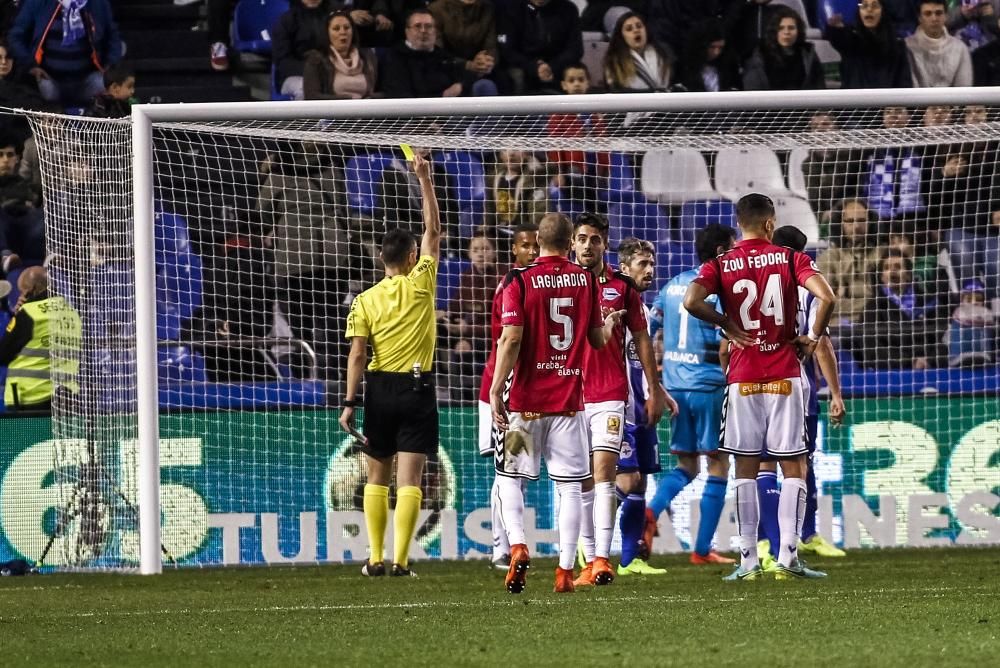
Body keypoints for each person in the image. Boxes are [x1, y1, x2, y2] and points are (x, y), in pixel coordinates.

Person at [683, 193, 837, 581]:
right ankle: (788, 556)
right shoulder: (790, 258)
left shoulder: (722, 263)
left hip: (742, 377)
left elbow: (691, 300)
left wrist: (726, 324)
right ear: (770, 224)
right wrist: (813, 336)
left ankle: (748, 561)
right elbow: (827, 296)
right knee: (794, 465)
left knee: (745, 467)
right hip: (784, 373)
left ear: (739, 224)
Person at [489, 212, 624, 594]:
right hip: (568, 406)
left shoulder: (519, 279)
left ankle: (517, 545)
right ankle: (565, 572)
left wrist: (497, 389)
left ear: (537, 241)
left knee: (509, 478)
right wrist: (612, 325)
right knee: (569, 489)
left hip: (525, 410)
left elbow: (511, 339)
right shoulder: (585, 280)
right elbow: (598, 341)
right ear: (570, 244)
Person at [340, 153, 440, 578]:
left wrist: (349, 402)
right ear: (412, 255)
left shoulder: (364, 300)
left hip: (378, 390)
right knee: (410, 479)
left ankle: (375, 557)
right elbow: (434, 229)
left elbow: (358, 354)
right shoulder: (422, 283)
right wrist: (424, 180)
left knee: (377, 476)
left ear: (382, 259)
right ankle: (401, 560)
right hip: (417, 389)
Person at [571, 213, 668, 587]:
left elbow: (640, 346)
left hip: (622, 397)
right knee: (602, 480)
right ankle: (590, 552)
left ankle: (615, 558)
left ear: (604, 244)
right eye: (582, 238)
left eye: (595, 239)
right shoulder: (563, 282)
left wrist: (657, 389)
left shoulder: (624, 291)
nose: (588, 245)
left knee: (632, 479)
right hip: (579, 396)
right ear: (573, 243)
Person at [754, 225, 847, 571]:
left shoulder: (749, 277)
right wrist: (835, 393)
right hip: (795, 387)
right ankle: (794, 543)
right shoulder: (806, 284)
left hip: (752, 384)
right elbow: (820, 342)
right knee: (799, 462)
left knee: (760, 465)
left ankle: (766, 543)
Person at [646, 223, 737, 566]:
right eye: (732, 248)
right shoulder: (720, 289)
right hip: (709, 385)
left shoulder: (671, 285)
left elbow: (648, 327)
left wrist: (657, 374)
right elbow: (729, 339)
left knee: (686, 464)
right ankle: (701, 550)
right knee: (718, 464)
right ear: (720, 253)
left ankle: (651, 511)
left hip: (675, 387)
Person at [475, 223, 538, 569]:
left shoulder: (535, 283)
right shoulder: (512, 285)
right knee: (506, 473)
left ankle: (510, 542)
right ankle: (501, 547)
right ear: (514, 250)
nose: (531, 251)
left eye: (535, 245)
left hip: (526, 391)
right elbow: (507, 341)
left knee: (517, 474)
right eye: (525, 246)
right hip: (501, 390)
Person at [614, 237, 673, 576]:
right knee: (627, 477)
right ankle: (587, 539)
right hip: (617, 408)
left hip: (643, 407)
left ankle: (630, 559)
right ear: (623, 268)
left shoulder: (645, 311)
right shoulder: (616, 309)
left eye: (652, 264)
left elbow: (642, 362)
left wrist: (659, 390)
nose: (650, 270)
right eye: (642, 264)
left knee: (640, 483)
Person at [848, 248, 952, 370]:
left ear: (908, 275)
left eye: (898, 267)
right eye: (887, 268)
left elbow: (944, 340)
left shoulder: (930, 302)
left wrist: (929, 360)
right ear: (882, 277)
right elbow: (871, 351)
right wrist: (911, 362)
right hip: (892, 375)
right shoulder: (872, 309)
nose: (892, 271)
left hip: (933, 370)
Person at [7, 0, 123, 107]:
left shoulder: (97, 3)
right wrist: (31, 66)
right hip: (49, 79)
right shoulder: (38, 2)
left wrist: (110, 64)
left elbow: (113, 36)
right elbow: (15, 37)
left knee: (111, 89)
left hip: (88, 79)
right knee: (44, 94)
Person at [0, 267, 81, 410]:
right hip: (67, 399)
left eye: (23, 290)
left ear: (32, 289)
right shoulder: (72, 312)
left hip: (30, 398)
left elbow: (3, 353)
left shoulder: (29, 313)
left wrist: (19, 314)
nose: (21, 294)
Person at [381, 9, 494, 98]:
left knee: (485, 85)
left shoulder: (442, 55)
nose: (423, 31)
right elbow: (400, 97)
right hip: (416, 120)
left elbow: (466, 77)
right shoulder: (395, 57)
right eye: (417, 26)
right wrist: (443, 97)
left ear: (435, 32)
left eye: (428, 26)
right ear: (407, 31)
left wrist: (464, 83)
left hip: (451, 114)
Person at [816, 199, 882, 326]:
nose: (856, 226)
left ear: (871, 223)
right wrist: (869, 302)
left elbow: (889, 303)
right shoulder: (828, 257)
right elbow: (821, 304)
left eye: (862, 221)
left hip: (876, 326)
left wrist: (841, 300)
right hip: (837, 328)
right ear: (840, 224)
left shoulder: (883, 254)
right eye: (850, 221)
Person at [497, 0, 584, 94]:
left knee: (575, 74)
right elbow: (507, 51)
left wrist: (552, 67)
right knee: (515, 75)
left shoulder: (568, 9)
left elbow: (576, 49)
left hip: (557, 67)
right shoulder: (512, 9)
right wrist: (534, 67)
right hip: (524, 67)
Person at [825, 0, 913, 89]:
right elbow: (837, 37)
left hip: (888, 101)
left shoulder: (897, 46)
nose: (869, 9)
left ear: (883, 11)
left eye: (875, 6)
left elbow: (904, 83)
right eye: (864, 6)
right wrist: (834, 28)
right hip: (855, 101)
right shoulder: (850, 40)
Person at [742, 7, 825, 91]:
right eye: (781, 28)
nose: (786, 32)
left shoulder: (808, 53)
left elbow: (819, 86)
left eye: (791, 28)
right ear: (774, 31)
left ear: (798, 30)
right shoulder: (759, 56)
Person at [303, 11, 378, 100]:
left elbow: (385, 92)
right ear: (327, 34)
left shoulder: (368, 57)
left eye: (346, 28)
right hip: (331, 112)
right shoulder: (316, 60)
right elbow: (312, 96)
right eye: (336, 28)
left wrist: (370, 100)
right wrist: (347, 101)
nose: (342, 32)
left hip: (366, 110)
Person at [428, 0, 498, 90]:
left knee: (494, 83)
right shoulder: (437, 9)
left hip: (480, 72)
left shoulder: (487, 8)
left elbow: (491, 46)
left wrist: (486, 63)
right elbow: (437, 51)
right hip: (449, 69)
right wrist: (469, 65)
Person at [272, 0, 335, 100]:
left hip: (330, 73)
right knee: (305, 89)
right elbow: (282, 62)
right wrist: (313, 72)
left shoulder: (333, 18)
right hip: (295, 76)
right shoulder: (286, 20)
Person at [603, 11, 676, 92]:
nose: (636, 30)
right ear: (621, 37)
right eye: (629, 29)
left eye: (639, 26)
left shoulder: (663, 53)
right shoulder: (614, 62)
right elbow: (615, 92)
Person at [906, 0, 973, 87]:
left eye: (939, 13)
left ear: (946, 16)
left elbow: (964, 90)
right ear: (919, 18)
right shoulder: (906, 47)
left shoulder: (960, 49)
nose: (934, 19)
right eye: (928, 14)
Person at [485, 150, 549, 229]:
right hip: (497, 233)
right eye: (506, 149)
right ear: (500, 155)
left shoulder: (534, 181)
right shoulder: (493, 178)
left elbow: (538, 214)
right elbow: (487, 212)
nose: (511, 153)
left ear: (526, 154)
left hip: (524, 234)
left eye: (516, 149)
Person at [675, 19, 741, 92]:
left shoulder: (729, 68)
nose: (716, 52)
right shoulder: (684, 67)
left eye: (720, 48)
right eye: (712, 47)